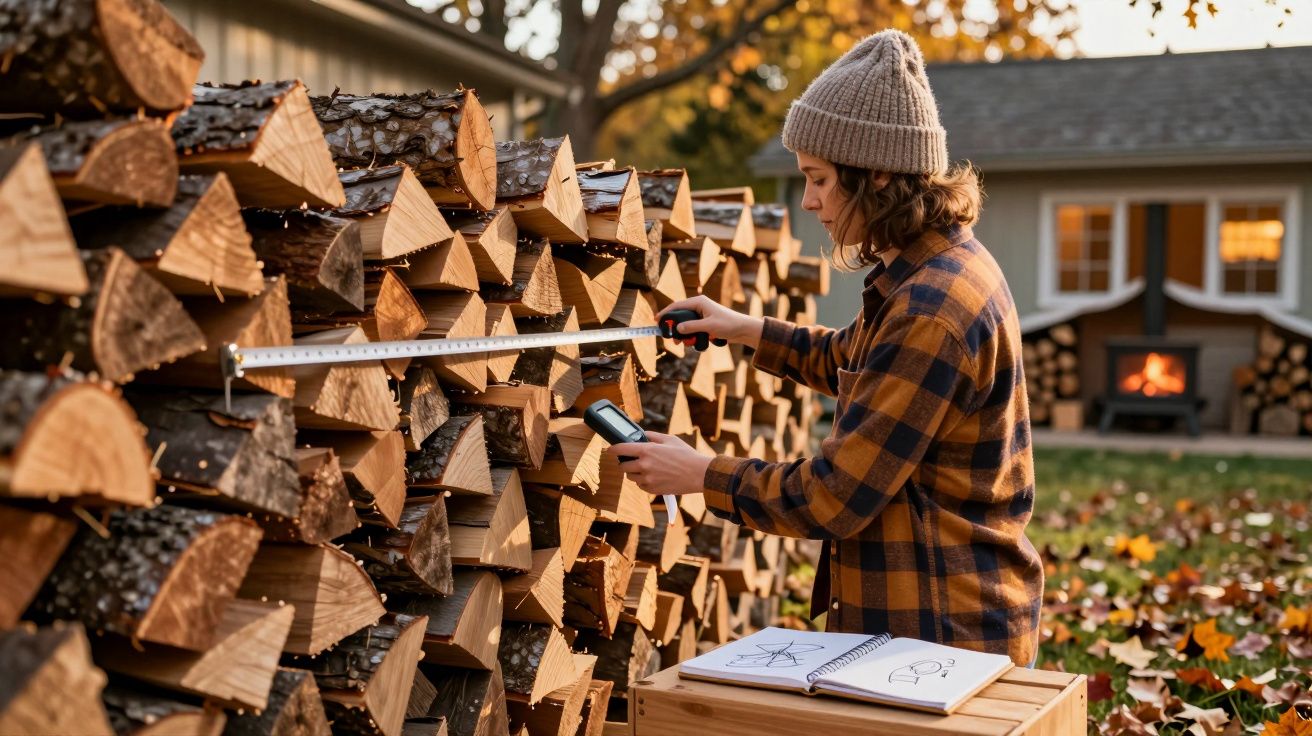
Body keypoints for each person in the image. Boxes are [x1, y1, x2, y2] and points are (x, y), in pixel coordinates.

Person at [607, 29, 1044, 668]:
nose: (808, 200)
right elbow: (860, 359)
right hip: (922, 619)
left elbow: (834, 496)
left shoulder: (933, 308)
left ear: (875, 178)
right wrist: (744, 329)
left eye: (817, 179)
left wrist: (700, 474)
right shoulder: (932, 269)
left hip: (943, 636)